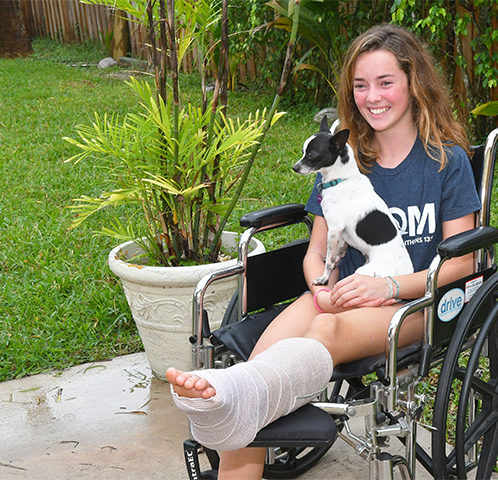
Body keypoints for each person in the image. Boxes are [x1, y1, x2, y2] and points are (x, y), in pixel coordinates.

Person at [166, 24, 481, 479]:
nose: (372, 96)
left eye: (385, 82)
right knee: (257, 376)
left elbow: (465, 261)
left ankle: (234, 393)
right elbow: (316, 254)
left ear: (414, 83)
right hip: (336, 297)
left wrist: (387, 286)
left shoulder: (445, 162)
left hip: (413, 303)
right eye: (360, 85)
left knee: (320, 334)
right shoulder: (337, 163)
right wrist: (321, 286)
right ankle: (238, 396)